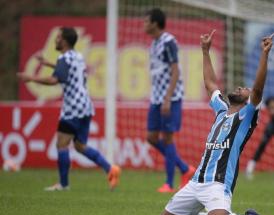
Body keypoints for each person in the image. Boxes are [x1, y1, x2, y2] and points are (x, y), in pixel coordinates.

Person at [159, 30, 274, 215]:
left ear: (249, 99)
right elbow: (210, 83)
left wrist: (264, 54)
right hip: (196, 181)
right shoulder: (221, 110)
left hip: (218, 183)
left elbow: (257, 89)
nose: (240, 87)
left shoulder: (246, 116)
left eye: (244, 89)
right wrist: (205, 51)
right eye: (240, 87)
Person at [17, 27, 121, 191]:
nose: (55, 40)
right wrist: (47, 63)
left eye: (58, 38)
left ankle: (63, 184)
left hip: (73, 107)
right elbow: (66, 69)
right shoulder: (77, 56)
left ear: (64, 40)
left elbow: (54, 80)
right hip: (86, 106)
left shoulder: (64, 58)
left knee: (61, 144)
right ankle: (110, 169)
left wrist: (31, 78)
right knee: (80, 146)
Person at [144, 8, 195, 193]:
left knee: (167, 138)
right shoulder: (154, 44)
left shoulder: (169, 42)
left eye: (146, 21)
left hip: (170, 97)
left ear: (155, 23)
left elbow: (175, 71)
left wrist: (167, 98)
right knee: (151, 137)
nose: (144, 24)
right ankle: (184, 168)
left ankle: (169, 184)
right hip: (156, 97)